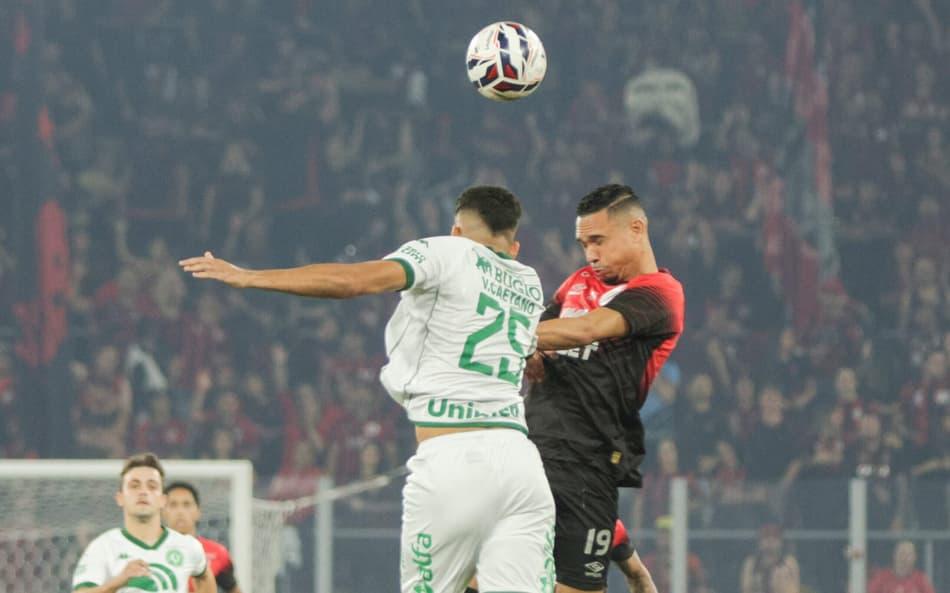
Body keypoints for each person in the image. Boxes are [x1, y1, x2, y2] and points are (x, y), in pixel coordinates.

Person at [180, 186, 556, 593]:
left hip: (453, 458)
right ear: (514, 246)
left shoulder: (446, 251)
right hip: (522, 465)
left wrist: (250, 277)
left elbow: (351, 281)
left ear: (456, 230)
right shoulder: (528, 281)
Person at [524, 184, 685, 593]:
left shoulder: (661, 294)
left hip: (588, 460)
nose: (589, 255)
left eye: (598, 241)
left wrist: (508, 333)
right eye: (583, 244)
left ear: (636, 229)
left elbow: (586, 329)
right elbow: (540, 336)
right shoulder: (577, 280)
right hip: (527, 448)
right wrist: (530, 357)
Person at [71, 452, 216, 593]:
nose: (143, 492)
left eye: (152, 486)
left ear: (163, 500)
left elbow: (204, 577)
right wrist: (117, 582)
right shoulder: (103, 547)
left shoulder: (188, 546)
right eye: (134, 486)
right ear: (120, 498)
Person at [162, 481, 243, 593]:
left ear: (198, 512)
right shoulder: (150, 550)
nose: (180, 511)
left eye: (186, 504)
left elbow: (233, 589)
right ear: (162, 511)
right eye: (173, 505)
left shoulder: (217, 553)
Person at [867, 540, 935, 593]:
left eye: (908, 555)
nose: (904, 558)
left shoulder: (921, 579)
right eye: (902, 553)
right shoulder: (881, 577)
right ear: (894, 555)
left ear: (915, 558)